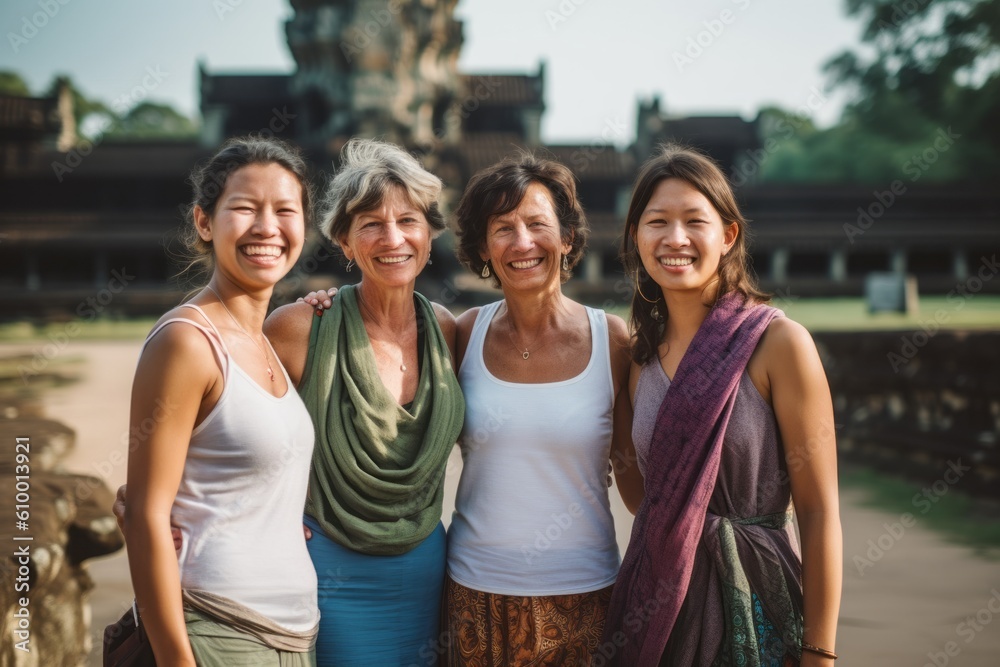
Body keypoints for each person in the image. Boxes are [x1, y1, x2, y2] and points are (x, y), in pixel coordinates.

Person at [600, 145, 842, 666]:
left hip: (760, 596)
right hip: (663, 598)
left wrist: (820, 651)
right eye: (657, 222)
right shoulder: (638, 358)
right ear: (637, 237)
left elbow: (819, 513)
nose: (675, 239)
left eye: (694, 221)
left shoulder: (778, 344)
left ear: (728, 234)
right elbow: (641, 494)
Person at [264, 137, 466, 666]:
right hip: (330, 568)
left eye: (409, 221)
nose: (392, 237)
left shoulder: (448, 331)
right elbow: (239, 437)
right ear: (346, 243)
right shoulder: (299, 327)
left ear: (430, 235)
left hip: (428, 565)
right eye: (371, 223)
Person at [122, 136, 319, 666]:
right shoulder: (187, 342)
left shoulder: (269, 343)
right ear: (204, 222)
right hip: (217, 630)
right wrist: (175, 661)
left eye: (285, 210)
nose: (266, 228)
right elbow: (143, 515)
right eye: (244, 209)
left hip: (295, 637)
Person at [445, 154, 643, 665]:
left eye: (537, 224)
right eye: (503, 229)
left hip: (584, 591)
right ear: (484, 248)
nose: (522, 243)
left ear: (568, 237)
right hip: (472, 591)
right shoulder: (463, 334)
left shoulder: (613, 340)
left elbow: (634, 478)